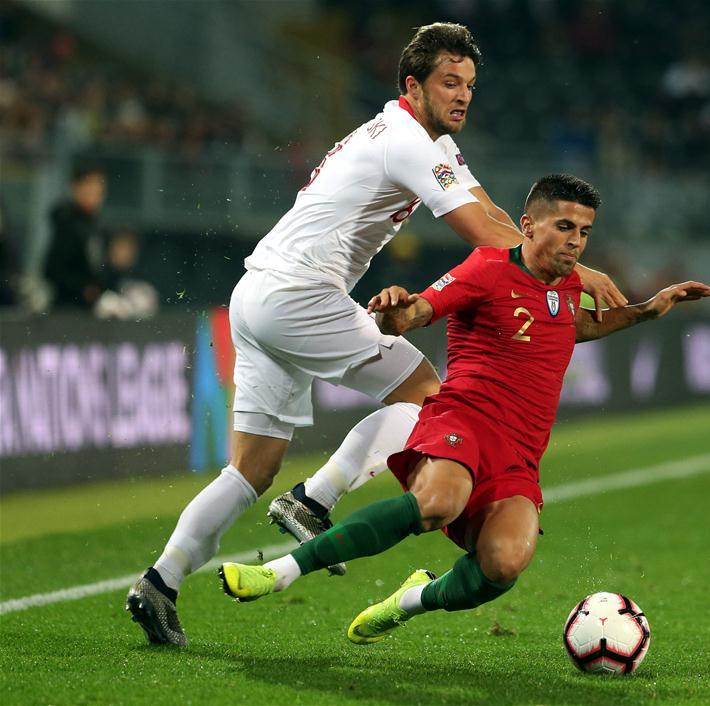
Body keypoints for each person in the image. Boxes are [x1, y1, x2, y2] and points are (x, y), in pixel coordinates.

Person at [125, 23, 626, 647]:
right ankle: (314, 499)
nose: (463, 95)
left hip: (257, 294)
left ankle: (160, 581)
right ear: (412, 85)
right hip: (298, 292)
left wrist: (554, 256)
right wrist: (579, 269)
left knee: (251, 468)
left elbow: (501, 218)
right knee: (426, 393)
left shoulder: (423, 142)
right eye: (449, 82)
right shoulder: (409, 142)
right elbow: (487, 234)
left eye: (470, 84)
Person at [218, 174, 710, 644]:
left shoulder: (565, 288)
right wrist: (395, 312)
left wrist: (646, 310)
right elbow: (415, 313)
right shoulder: (489, 268)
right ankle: (281, 571)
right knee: (438, 504)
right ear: (528, 226)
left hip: (520, 453)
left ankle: (410, 599)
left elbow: (575, 326)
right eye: (564, 227)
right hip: (464, 420)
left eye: (584, 232)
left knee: (504, 562)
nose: (575, 242)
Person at [43, 164, 106, 309]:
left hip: (90, 308)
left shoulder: (96, 225)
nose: (95, 191)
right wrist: (83, 289)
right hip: (68, 308)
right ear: (75, 188)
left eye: (99, 186)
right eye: (89, 185)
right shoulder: (67, 222)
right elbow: (51, 270)